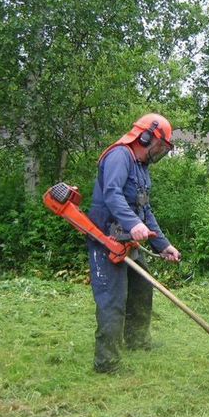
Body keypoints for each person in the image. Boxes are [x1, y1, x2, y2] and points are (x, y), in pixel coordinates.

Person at [87, 113, 181, 373]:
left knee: (142, 289)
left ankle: (137, 342)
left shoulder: (141, 167)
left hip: (128, 240)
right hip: (107, 239)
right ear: (146, 136)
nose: (160, 152)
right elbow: (112, 193)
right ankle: (107, 363)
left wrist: (163, 245)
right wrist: (133, 224)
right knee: (113, 299)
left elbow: (145, 210)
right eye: (160, 145)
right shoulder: (119, 156)